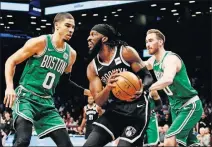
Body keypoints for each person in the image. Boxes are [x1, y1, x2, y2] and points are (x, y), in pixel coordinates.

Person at [3, 12, 89, 147]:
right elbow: (11, 61)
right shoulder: (40, 42)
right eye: (67, 26)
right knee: (23, 140)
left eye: (73, 27)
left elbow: (64, 83)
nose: (71, 30)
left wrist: (88, 92)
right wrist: (9, 87)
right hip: (26, 97)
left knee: (66, 145)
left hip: (47, 103)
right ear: (57, 25)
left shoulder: (71, 54)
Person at [83, 24, 154, 147]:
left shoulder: (126, 52)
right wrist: (108, 87)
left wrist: (143, 88)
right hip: (115, 110)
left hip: (137, 110)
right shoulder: (92, 68)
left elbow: (148, 77)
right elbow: (98, 102)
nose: (88, 38)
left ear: (104, 38)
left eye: (93, 34)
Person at [145, 29, 203, 146]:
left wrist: (149, 87)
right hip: (176, 109)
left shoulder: (170, 58)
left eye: (151, 40)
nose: (147, 44)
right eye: (146, 42)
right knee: (191, 144)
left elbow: (168, 79)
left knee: (170, 139)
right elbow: (139, 64)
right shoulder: (153, 61)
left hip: (189, 105)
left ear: (160, 42)